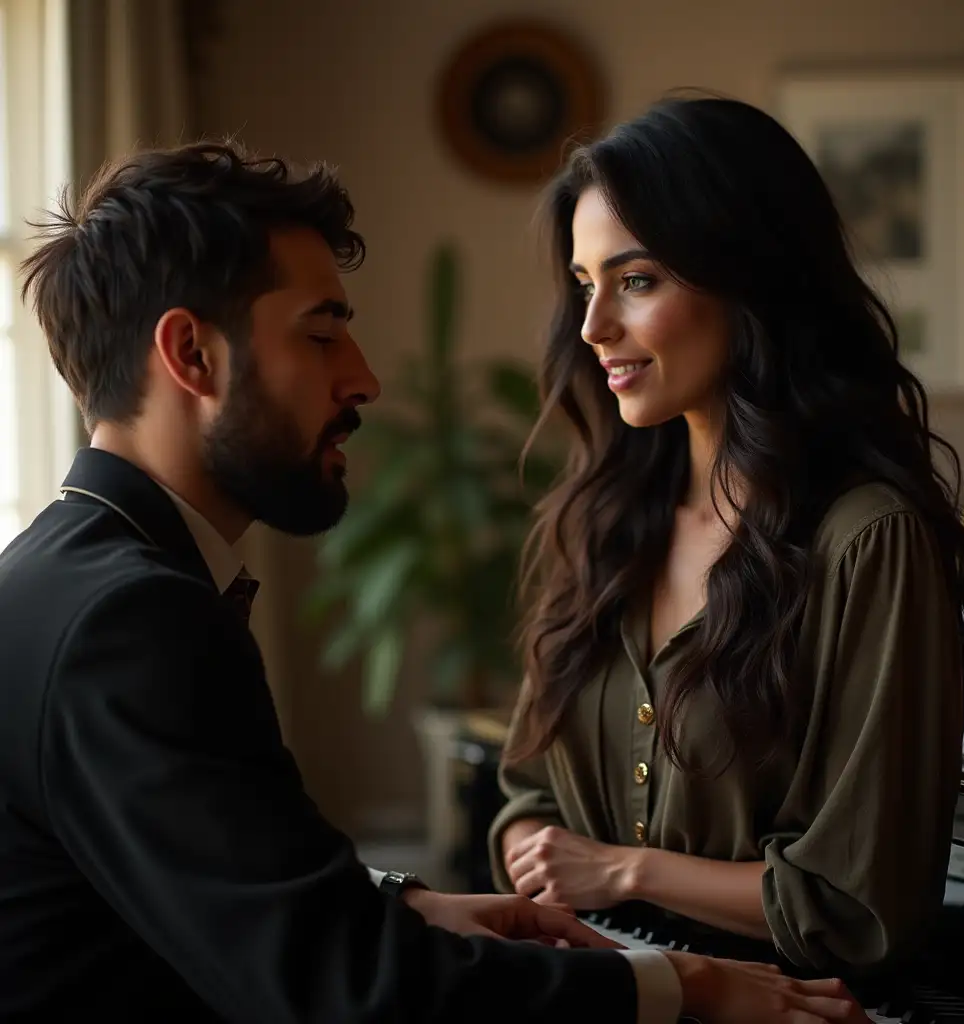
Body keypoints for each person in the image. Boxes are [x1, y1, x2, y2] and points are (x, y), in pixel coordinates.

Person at [0, 140, 865, 1024]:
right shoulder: (133, 618)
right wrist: (683, 986)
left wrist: (403, 905)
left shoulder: (55, 577)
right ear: (191, 354)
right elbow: (344, 990)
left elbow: (205, 878)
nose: (365, 377)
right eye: (323, 332)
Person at [489, 93, 964, 974]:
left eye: (636, 280)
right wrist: (544, 853)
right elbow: (524, 801)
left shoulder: (871, 544)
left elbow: (856, 904)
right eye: (585, 284)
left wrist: (621, 870)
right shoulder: (600, 523)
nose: (592, 328)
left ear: (750, 275)